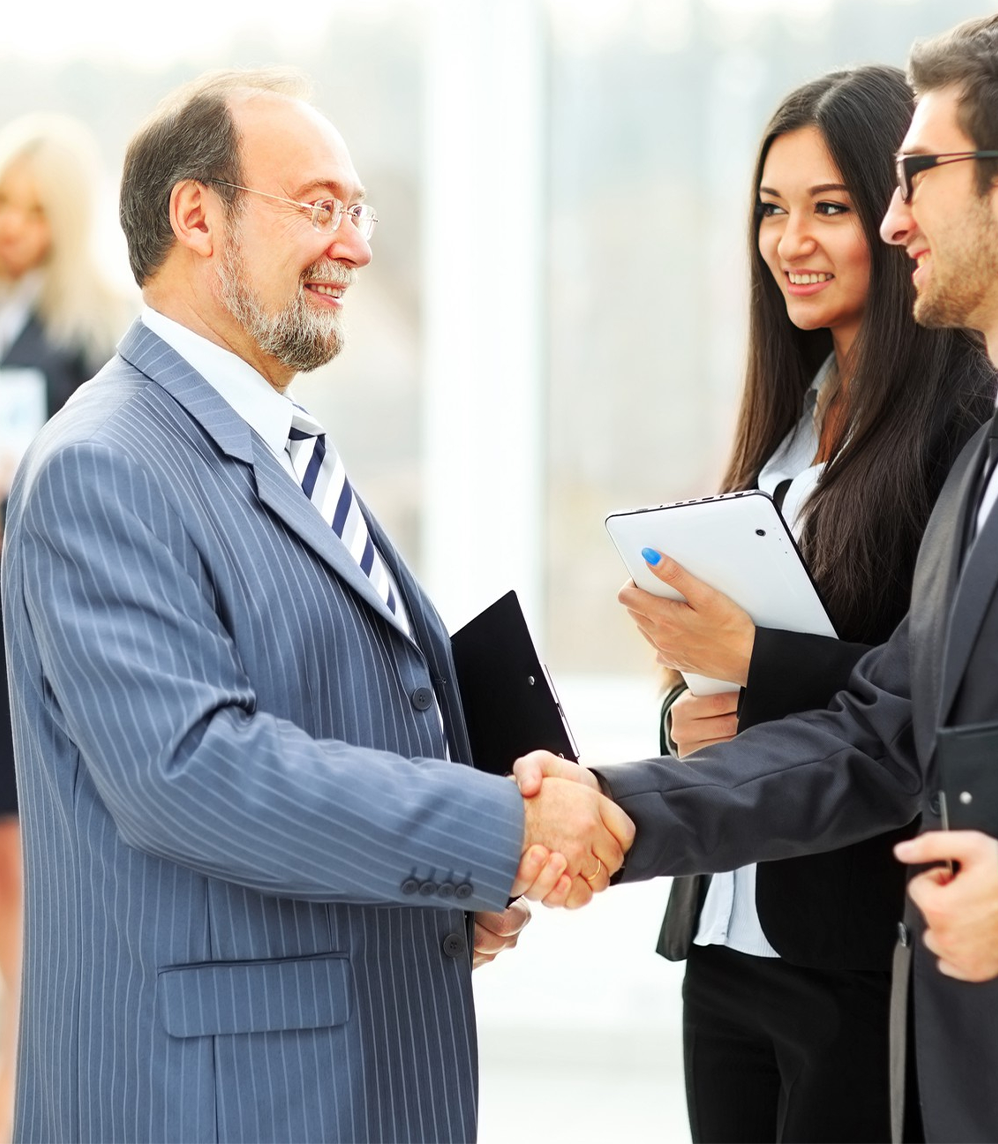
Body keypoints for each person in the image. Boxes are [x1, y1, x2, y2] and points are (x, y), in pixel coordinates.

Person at [517, 10, 998, 1142]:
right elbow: (882, 734)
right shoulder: (994, 453)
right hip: (962, 1073)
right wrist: (617, 807)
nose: (891, 217)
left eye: (915, 173)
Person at [1, 68, 632, 1144]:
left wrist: (458, 879)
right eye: (320, 206)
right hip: (218, 1096)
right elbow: (194, 773)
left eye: (359, 210)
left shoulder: (280, 444)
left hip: (347, 1058)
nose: (356, 244)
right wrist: (498, 827)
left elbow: (347, 703)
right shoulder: (103, 464)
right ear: (196, 216)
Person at [619, 65, 990, 1143]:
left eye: (827, 207)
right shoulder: (788, 426)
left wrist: (756, 657)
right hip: (727, 937)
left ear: (897, 214)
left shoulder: (961, 431)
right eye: (771, 211)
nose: (791, 240)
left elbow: (947, 695)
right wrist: (685, 716)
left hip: (856, 949)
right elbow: (737, 680)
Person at [0, 113, 128, 1143]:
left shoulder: (92, 342)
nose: (10, 227)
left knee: (30, 873)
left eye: (32, 210)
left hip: (36, 625)